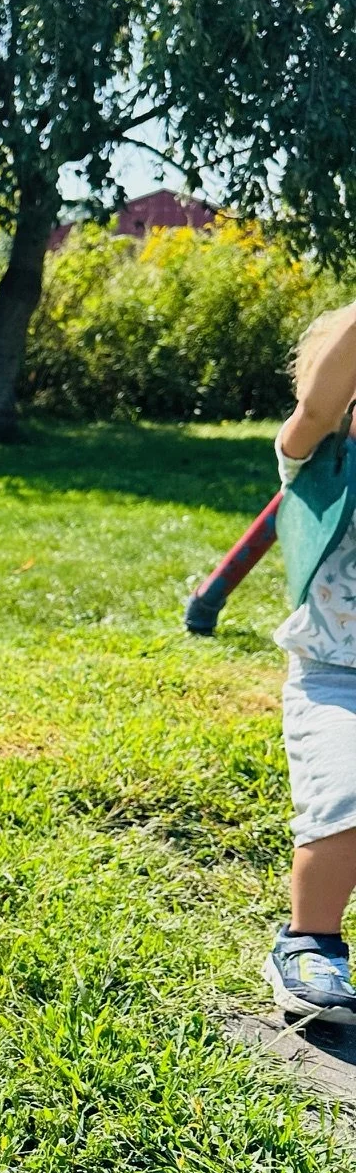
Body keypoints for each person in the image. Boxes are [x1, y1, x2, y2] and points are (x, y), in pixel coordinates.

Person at [263, 299, 356, 1024]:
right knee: (347, 798)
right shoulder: (316, 463)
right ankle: (311, 938)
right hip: (335, 680)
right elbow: (320, 401)